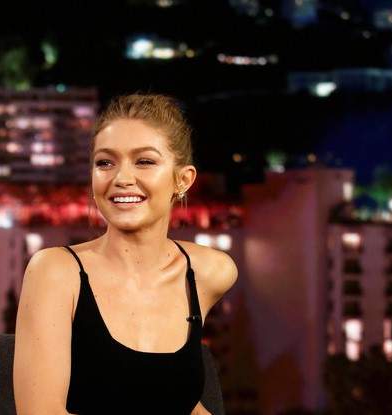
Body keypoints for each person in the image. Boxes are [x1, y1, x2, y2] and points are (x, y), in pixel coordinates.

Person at [13, 93, 238, 414]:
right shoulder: (55, 272)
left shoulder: (210, 272)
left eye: (144, 161)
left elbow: (169, 395)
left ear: (183, 180)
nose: (121, 179)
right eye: (105, 163)